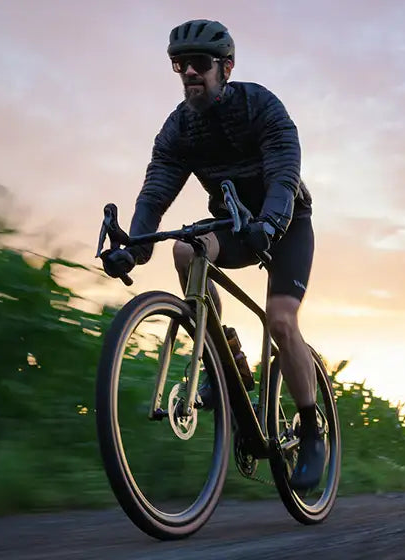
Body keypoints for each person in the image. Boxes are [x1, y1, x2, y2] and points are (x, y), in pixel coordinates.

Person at [99, 18, 326, 491]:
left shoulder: (260, 105)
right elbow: (156, 192)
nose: (189, 73)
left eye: (199, 64)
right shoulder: (180, 128)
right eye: (180, 65)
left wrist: (273, 220)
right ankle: (226, 357)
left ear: (226, 67)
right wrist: (134, 249)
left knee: (281, 320)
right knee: (185, 250)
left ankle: (311, 430)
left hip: (286, 223)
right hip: (235, 224)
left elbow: (285, 169)